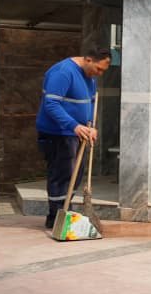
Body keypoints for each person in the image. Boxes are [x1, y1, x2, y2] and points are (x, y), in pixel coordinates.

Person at [36, 48, 110, 230]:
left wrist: (90, 126)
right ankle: (55, 216)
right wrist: (74, 125)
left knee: (73, 176)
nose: (99, 74)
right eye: (98, 69)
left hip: (78, 133)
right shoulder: (63, 72)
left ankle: (65, 212)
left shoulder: (89, 78)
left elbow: (91, 103)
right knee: (61, 175)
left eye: (102, 71)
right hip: (59, 133)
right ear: (88, 60)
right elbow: (51, 104)